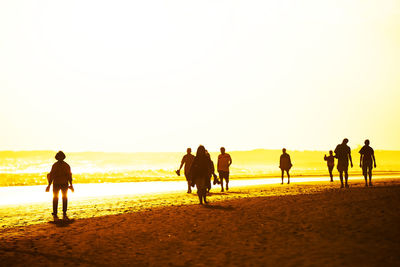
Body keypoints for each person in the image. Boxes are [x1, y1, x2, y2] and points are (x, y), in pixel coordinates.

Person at [46, 151, 74, 220]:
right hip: (64, 183)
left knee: (55, 198)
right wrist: (71, 185)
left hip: (57, 183)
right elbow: (69, 176)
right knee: (64, 197)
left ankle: (55, 212)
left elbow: (51, 175)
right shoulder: (66, 165)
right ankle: (64, 211)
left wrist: (49, 185)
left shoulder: (55, 165)